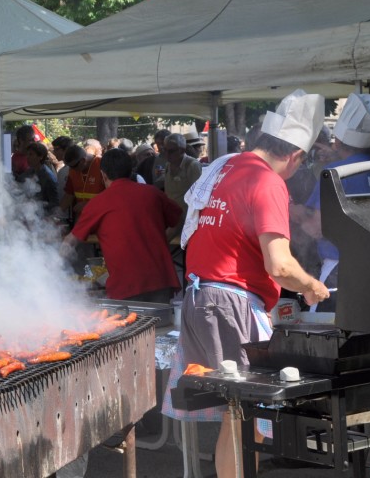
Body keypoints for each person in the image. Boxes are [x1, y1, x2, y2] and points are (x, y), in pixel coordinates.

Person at [162, 89, 331, 478]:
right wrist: (311, 285)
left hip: (201, 296)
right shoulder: (268, 181)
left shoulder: (226, 166)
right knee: (246, 417)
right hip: (231, 303)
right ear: (295, 155)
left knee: (234, 415)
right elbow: (279, 265)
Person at [298, 93, 370, 310]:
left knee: (327, 331)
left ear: (339, 140)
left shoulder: (333, 172)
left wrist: (290, 210)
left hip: (340, 268)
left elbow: (315, 225)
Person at [62, 149, 181, 303]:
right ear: (131, 170)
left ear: (103, 175)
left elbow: (70, 241)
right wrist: (163, 240)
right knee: (161, 326)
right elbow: (178, 218)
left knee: (132, 326)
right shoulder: (153, 193)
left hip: (126, 285)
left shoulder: (97, 203)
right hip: (160, 279)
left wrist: (51, 268)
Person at [23, 141, 60, 215]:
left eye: (31, 154)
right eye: (27, 154)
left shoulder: (48, 177)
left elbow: (54, 203)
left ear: (40, 157)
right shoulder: (30, 171)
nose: (27, 157)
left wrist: (37, 205)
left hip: (43, 217)